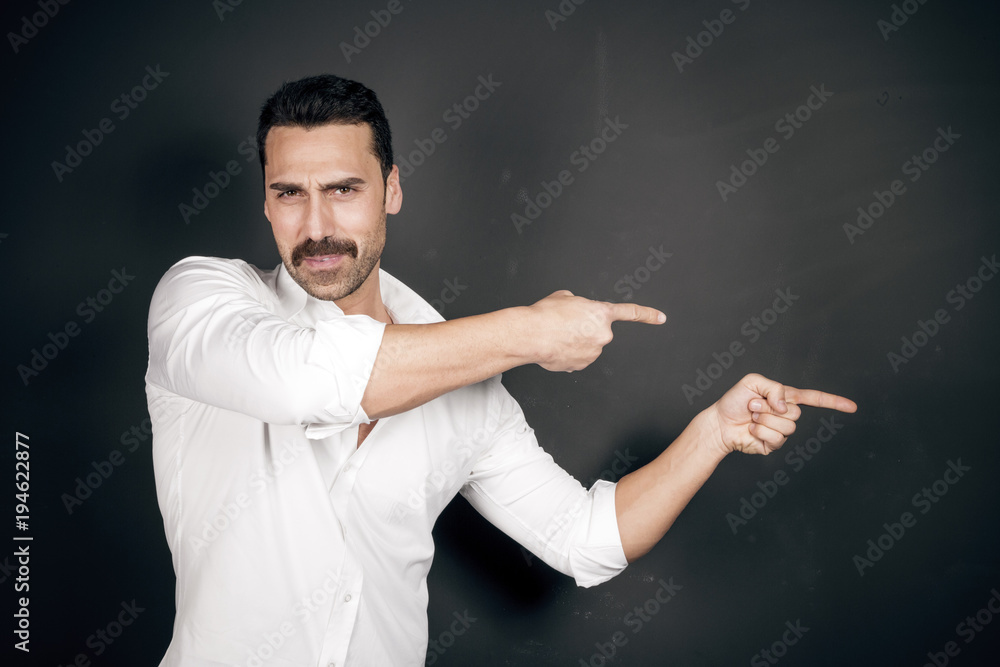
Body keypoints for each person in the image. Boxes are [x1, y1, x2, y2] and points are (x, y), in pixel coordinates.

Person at [145, 73, 857, 667]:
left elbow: (585, 539)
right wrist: (532, 330)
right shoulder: (200, 301)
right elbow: (312, 379)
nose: (316, 226)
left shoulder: (466, 384)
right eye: (289, 193)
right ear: (266, 199)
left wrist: (712, 433)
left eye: (343, 189)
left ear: (391, 189)